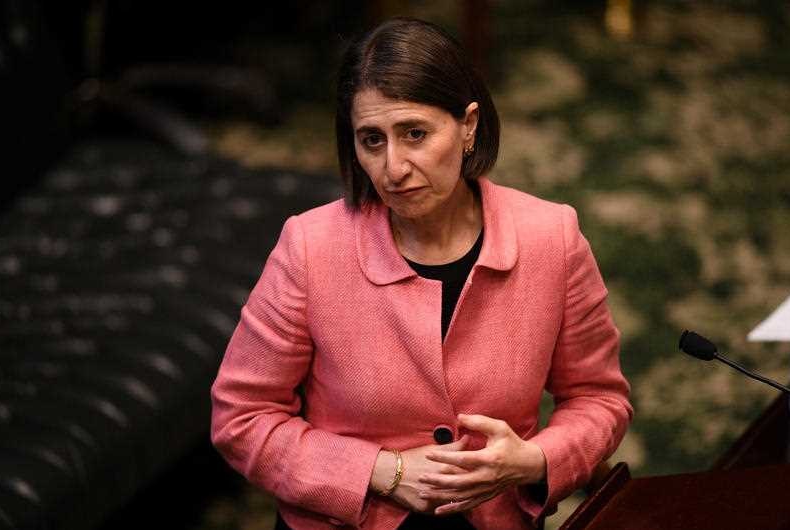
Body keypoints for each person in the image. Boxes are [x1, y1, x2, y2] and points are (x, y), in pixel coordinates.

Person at [210, 17, 632, 530]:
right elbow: (242, 418)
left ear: (468, 126)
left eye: (415, 134)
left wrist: (533, 461)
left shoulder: (552, 237)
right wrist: (383, 471)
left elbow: (599, 399)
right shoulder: (309, 248)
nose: (393, 168)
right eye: (371, 140)